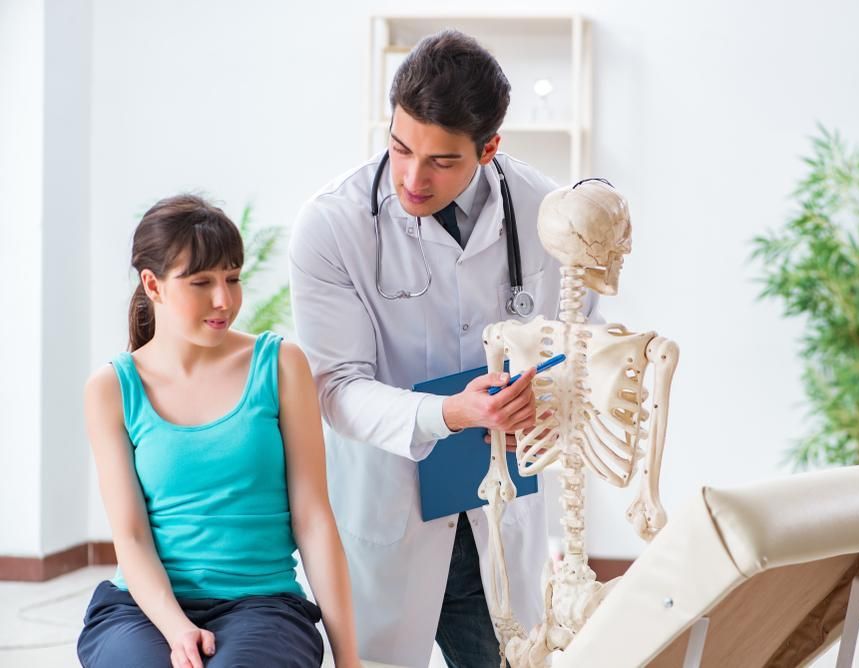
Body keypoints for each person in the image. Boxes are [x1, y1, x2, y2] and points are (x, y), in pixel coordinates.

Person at [289, 30, 599, 667]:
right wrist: (450, 414)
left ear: (489, 148)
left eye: (442, 161)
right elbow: (337, 388)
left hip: (500, 512)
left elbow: (580, 346)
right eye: (401, 147)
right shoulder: (332, 226)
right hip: (387, 506)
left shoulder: (550, 215)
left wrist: (542, 399)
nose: (412, 176)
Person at [78, 195, 361, 668]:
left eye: (232, 279)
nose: (223, 301)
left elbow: (313, 519)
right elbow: (130, 537)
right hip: (143, 609)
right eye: (201, 282)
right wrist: (178, 629)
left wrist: (348, 661)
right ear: (154, 284)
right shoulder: (112, 388)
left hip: (263, 605)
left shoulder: (279, 365)